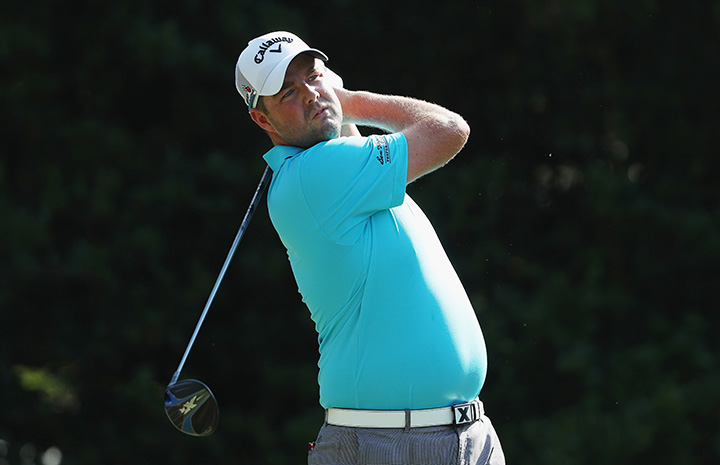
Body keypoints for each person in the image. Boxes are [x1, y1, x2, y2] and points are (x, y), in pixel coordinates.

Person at [235, 31, 505, 465]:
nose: (310, 94)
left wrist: (336, 109)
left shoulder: (339, 174)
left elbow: (350, 142)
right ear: (263, 121)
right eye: (288, 92)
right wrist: (350, 99)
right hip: (385, 444)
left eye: (313, 76)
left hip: (458, 436)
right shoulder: (313, 175)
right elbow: (449, 130)